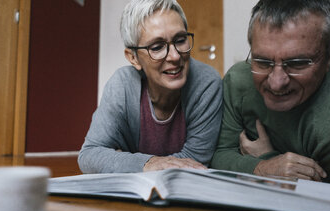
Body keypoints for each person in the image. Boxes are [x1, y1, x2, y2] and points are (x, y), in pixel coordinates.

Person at [211, 0, 330, 185]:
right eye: (263, 62)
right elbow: (217, 155)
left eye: (297, 63)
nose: (276, 83)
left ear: (329, 53)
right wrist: (262, 168)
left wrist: (267, 157)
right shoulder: (237, 80)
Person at [78, 0, 222, 173]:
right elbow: (89, 154)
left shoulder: (206, 83)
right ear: (133, 58)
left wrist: (121, 161)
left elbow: (195, 162)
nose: (175, 56)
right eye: (157, 47)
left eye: (181, 40)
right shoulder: (122, 85)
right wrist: (147, 163)